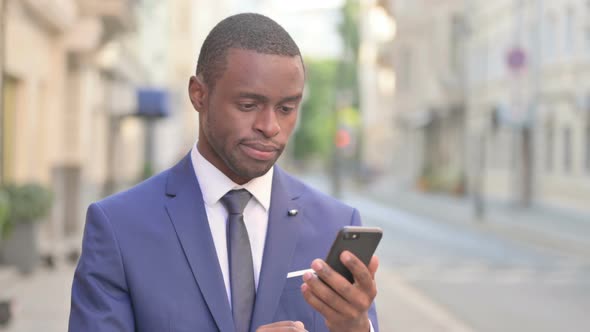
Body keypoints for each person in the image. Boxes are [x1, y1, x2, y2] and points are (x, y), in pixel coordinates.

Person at [69, 13, 379, 332]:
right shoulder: (119, 227)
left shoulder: (335, 223)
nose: (270, 127)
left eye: (286, 109)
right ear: (199, 95)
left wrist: (355, 326)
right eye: (248, 105)